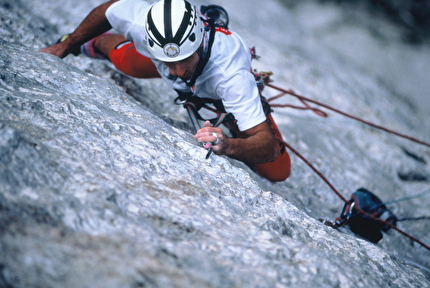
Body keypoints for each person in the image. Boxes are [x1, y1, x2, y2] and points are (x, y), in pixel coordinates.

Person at [40, 0, 291, 181]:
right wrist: (68, 45)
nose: (177, 72)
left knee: (278, 172)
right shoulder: (144, 24)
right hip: (157, 56)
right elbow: (109, 10)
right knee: (126, 61)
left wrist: (229, 145)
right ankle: (92, 45)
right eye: (170, 62)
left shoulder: (231, 77)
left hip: (219, 91)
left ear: (199, 43)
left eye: (184, 61)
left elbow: (267, 147)